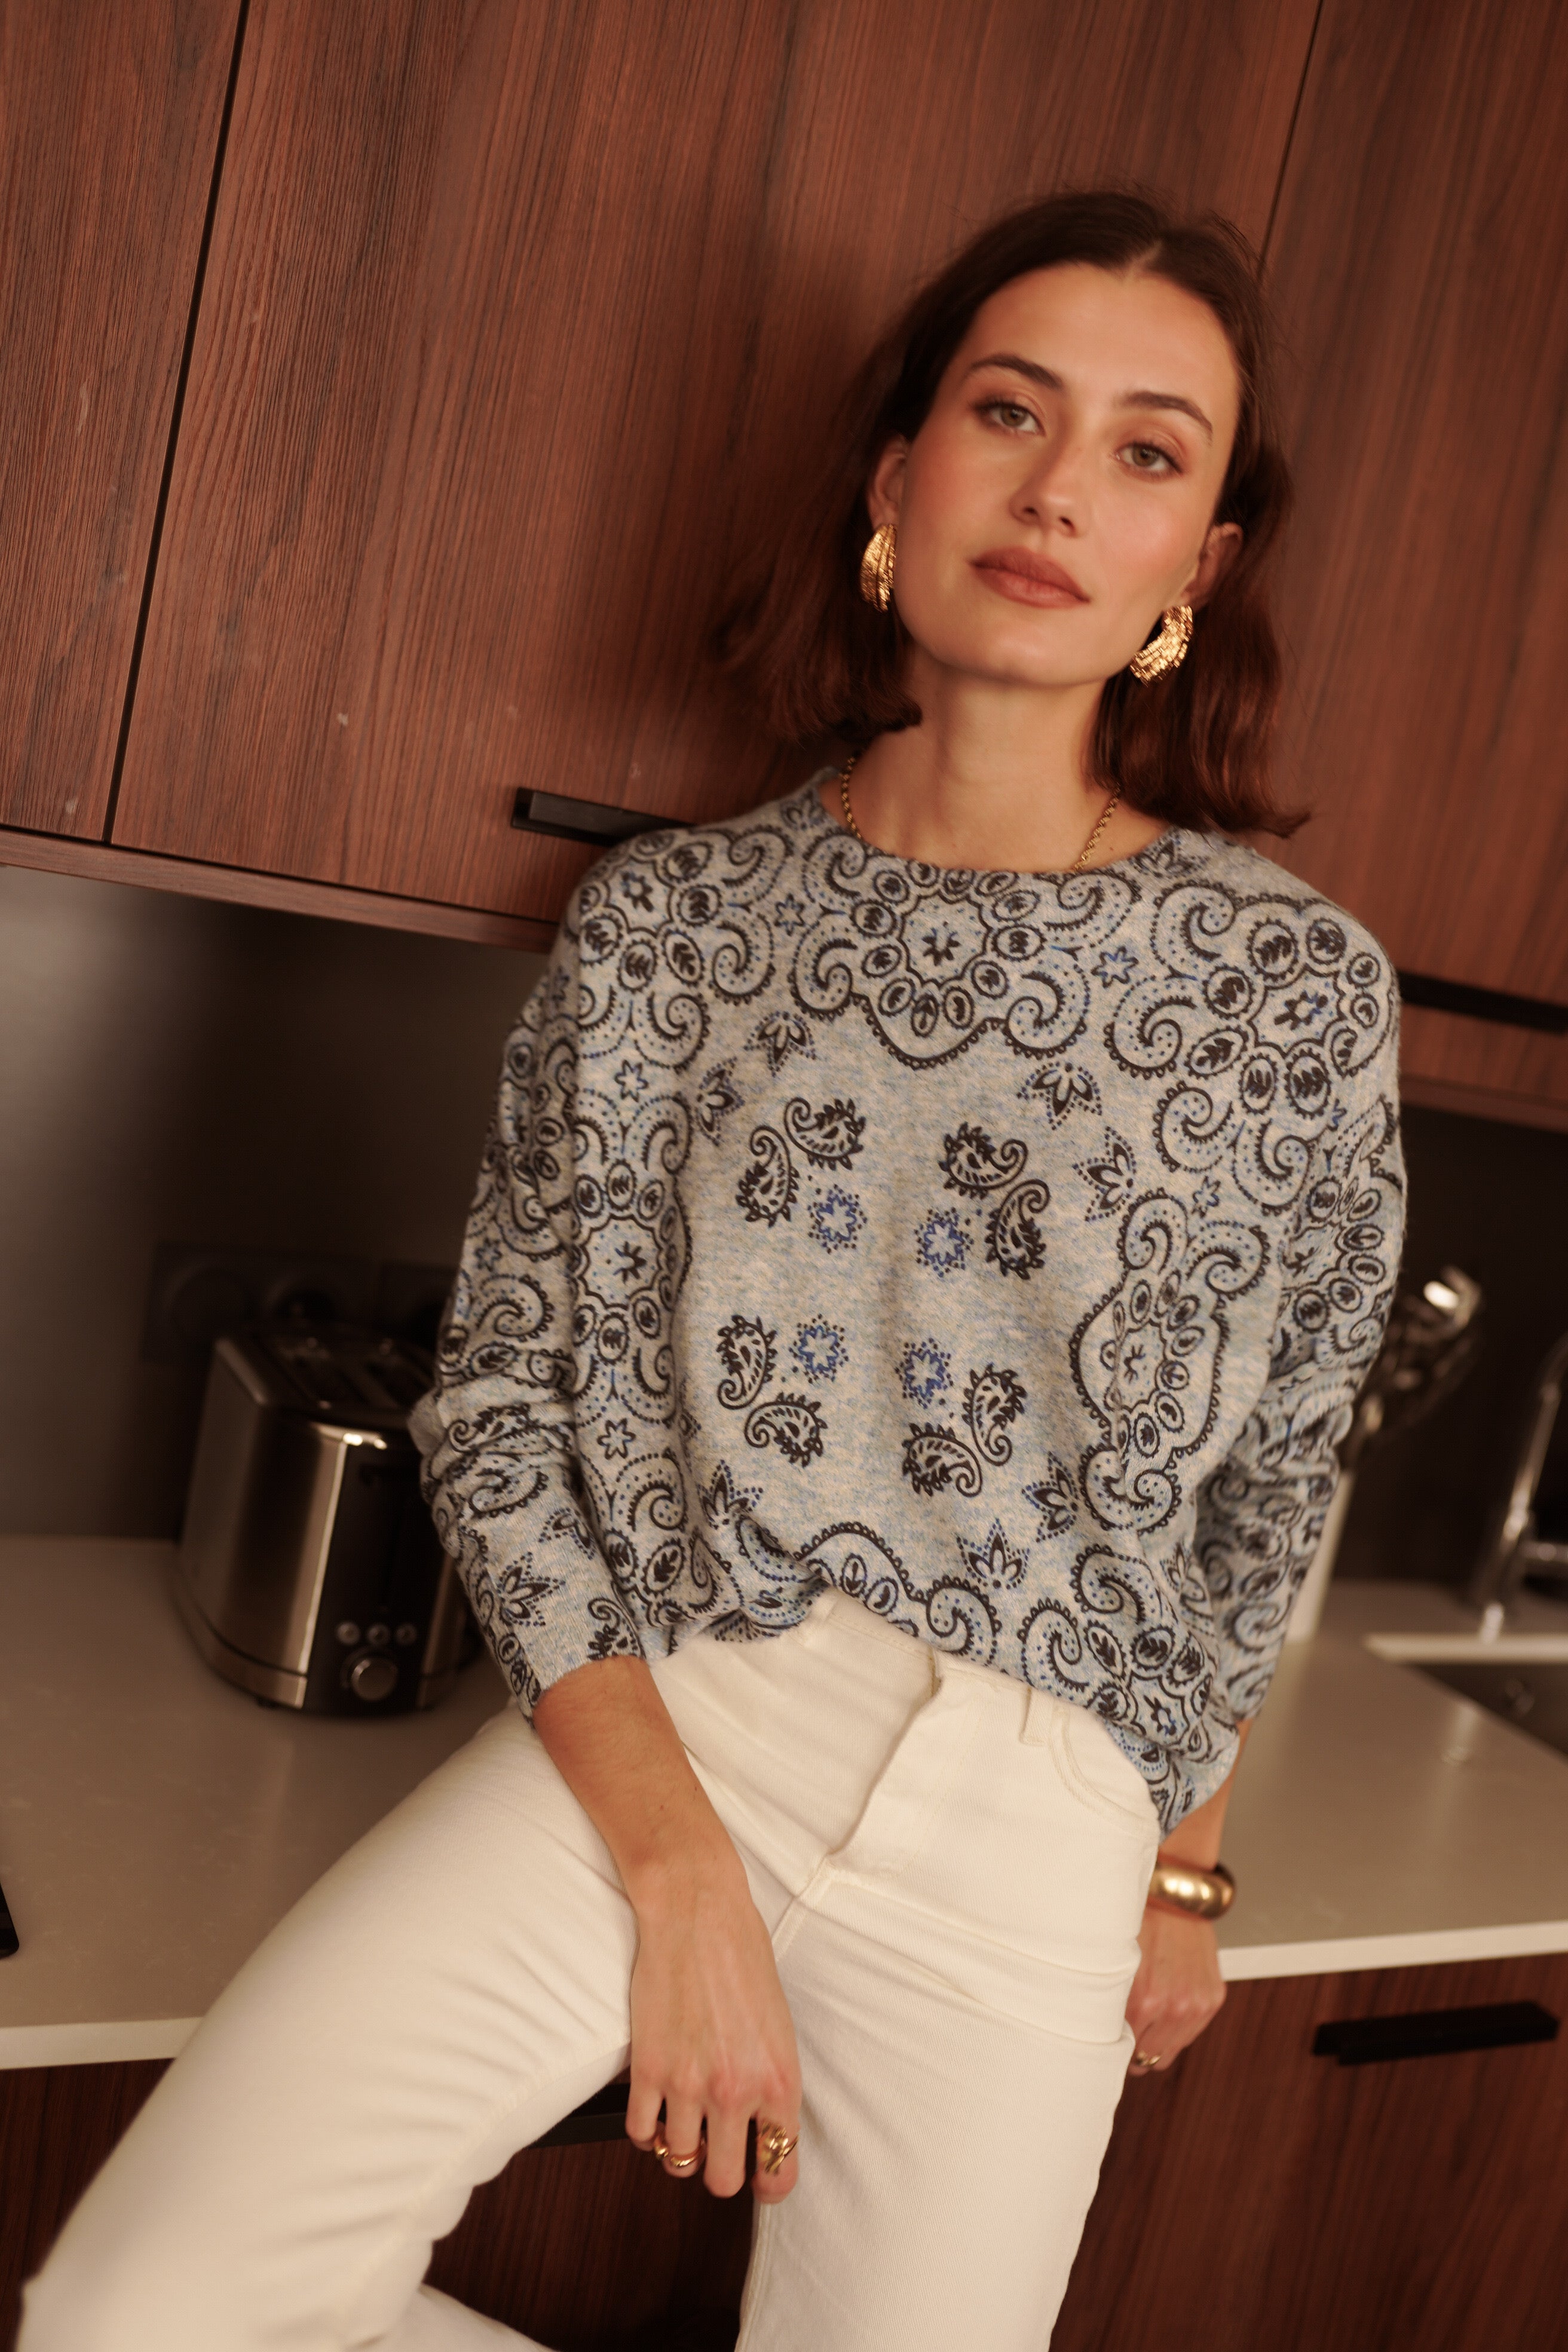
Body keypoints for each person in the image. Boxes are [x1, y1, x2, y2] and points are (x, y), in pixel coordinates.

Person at [23, 187, 1404, 2352]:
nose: (1060, 488)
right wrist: (678, 1869)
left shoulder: (1293, 991)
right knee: (139, 2313)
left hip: (1044, 1812)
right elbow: (501, 1402)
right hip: (674, 1719)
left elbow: (1274, 1472)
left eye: (1148, 451)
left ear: (1198, 569)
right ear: (898, 475)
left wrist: (1181, 1872)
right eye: (1010, 411)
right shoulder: (669, 929)